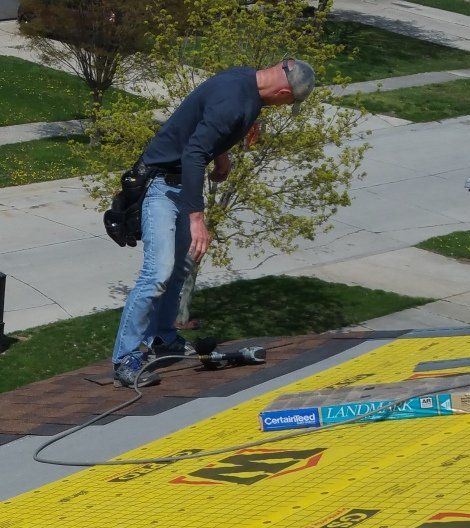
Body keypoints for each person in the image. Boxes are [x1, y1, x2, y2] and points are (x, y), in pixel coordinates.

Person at [110, 58, 316, 388]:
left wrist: (221, 154)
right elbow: (193, 153)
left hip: (179, 181)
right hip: (160, 185)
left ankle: (164, 338)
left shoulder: (245, 81)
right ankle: (125, 359)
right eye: (288, 102)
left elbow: (204, 124)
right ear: (283, 90)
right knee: (158, 271)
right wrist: (197, 219)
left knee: (182, 265)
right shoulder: (235, 101)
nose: (282, 106)